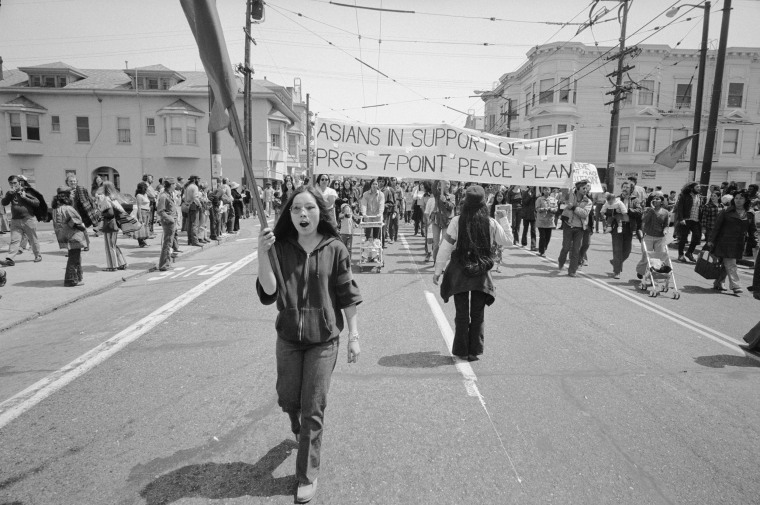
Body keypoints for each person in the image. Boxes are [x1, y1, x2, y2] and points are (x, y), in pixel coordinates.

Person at [256, 185, 362, 504]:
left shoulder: (335, 247)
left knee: (313, 405)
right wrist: (262, 253)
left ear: (321, 211)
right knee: (290, 399)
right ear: (289, 214)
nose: (304, 214)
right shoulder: (282, 247)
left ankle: (306, 474)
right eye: (297, 209)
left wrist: (354, 335)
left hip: (323, 340)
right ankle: (297, 426)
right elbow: (269, 291)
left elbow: (347, 294)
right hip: (289, 337)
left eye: (310, 208)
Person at [433, 185, 511, 361]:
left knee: (461, 313)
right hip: (481, 272)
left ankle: (461, 350)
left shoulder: (457, 221)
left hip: (460, 271)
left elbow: (445, 247)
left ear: (465, 202)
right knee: (478, 313)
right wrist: (504, 219)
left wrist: (438, 270)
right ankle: (474, 351)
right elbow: (508, 241)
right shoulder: (490, 222)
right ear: (483, 203)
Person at [708, 190, 757, 294]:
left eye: (741, 198)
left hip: (739, 243)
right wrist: (711, 241)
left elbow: (752, 230)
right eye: (736, 198)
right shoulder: (726, 211)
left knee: (726, 263)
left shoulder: (749, 213)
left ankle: (718, 282)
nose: (738, 200)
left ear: (746, 200)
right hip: (724, 242)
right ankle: (736, 285)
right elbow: (717, 227)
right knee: (731, 264)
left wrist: (755, 241)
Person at [1, 175, 42, 266]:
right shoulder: (10, 193)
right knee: (14, 240)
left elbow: (37, 203)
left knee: (32, 239)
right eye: (11, 183)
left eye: (15, 183)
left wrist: (25, 197)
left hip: (28, 219)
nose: (13, 185)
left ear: (20, 182)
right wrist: (10, 195)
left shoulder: (27, 191)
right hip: (15, 220)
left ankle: (37, 255)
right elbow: (4, 203)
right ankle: (10, 259)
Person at [52, 186, 86, 287]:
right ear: (66, 196)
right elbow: (74, 223)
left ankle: (77, 278)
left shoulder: (56, 209)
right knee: (74, 258)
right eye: (71, 194)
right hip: (73, 236)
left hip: (64, 236)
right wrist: (83, 227)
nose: (72, 196)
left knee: (74, 257)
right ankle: (70, 280)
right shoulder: (68, 209)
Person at [557, 180, 592, 277]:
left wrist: (574, 207)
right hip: (568, 225)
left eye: (586, 188)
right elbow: (562, 197)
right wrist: (566, 182)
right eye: (583, 188)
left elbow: (585, 213)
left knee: (576, 250)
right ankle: (561, 261)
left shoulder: (588, 201)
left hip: (580, 228)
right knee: (566, 247)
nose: (585, 190)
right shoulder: (570, 195)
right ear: (577, 188)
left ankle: (572, 270)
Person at [635, 191, 670, 280]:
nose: (655, 200)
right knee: (646, 256)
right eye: (654, 199)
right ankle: (640, 271)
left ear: (661, 201)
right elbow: (644, 220)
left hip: (660, 238)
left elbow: (666, 224)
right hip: (648, 236)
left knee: (658, 257)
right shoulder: (648, 210)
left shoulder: (665, 212)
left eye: (657, 199)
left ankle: (654, 275)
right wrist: (652, 209)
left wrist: (665, 230)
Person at [97, 181, 128, 271]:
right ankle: (122, 263)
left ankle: (112, 266)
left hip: (109, 224)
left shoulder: (106, 199)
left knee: (109, 246)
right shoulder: (114, 198)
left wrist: (101, 213)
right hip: (114, 224)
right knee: (113, 245)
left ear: (105, 188)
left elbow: (110, 213)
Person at [67, 174, 99, 252]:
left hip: (80, 213)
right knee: (70, 230)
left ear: (76, 182)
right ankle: (73, 247)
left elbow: (89, 198)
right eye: (71, 181)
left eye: (74, 181)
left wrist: (93, 208)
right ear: (67, 182)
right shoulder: (66, 192)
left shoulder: (81, 189)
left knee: (83, 230)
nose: (73, 182)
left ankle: (86, 245)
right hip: (70, 214)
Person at [674, 182, 703, 263]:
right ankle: (680, 255)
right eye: (697, 187)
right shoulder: (684, 196)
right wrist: (681, 219)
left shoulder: (699, 197)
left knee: (697, 237)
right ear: (692, 188)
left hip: (696, 220)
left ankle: (689, 252)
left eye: (699, 187)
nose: (699, 188)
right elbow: (680, 208)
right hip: (686, 219)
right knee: (683, 238)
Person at [429, 179, 456, 264]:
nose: (446, 185)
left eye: (448, 184)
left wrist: (445, 201)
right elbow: (433, 187)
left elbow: (452, 207)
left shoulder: (452, 196)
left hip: (447, 222)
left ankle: (442, 262)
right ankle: (435, 260)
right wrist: (438, 178)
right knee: (436, 243)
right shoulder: (437, 194)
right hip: (437, 220)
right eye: (444, 183)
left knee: (444, 243)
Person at [156, 178, 179, 271]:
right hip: (168, 222)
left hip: (171, 221)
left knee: (169, 243)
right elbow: (160, 211)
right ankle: (163, 265)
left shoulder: (168, 195)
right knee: (167, 243)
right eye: (174, 184)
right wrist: (170, 219)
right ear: (170, 185)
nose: (175, 186)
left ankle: (167, 263)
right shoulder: (164, 196)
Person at [535, 186, 557, 257]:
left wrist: (552, 209)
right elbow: (537, 209)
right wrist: (544, 209)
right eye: (545, 190)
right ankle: (542, 251)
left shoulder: (553, 199)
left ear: (550, 191)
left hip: (549, 221)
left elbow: (556, 208)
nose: (547, 191)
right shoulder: (539, 199)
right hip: (541, 221)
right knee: (542, 236)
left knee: (548, 237)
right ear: (543, 191)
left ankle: (544, 248)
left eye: (548, 190)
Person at [489, 190, 507, 270]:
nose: (499, 197)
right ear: (495, 197)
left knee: (500, 247)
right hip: (493, 228)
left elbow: (508, 219)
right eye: (498, 196)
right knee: (492, 246)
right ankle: (491, 263)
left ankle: (498, 266)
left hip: (502, 229)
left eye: (501, 196)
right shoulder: (491, 206)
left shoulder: (506, 207)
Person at [134, 182, 151, 248]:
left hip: (147, 212)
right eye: (145, 188)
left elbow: (152, 195)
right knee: (141, 227)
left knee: (146, 227)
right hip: (143, 211)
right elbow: (139, 207)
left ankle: (144, 241)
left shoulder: (145, 195)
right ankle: (141, 242)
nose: (146, 189)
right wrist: (140, 217)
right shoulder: (139, 195)